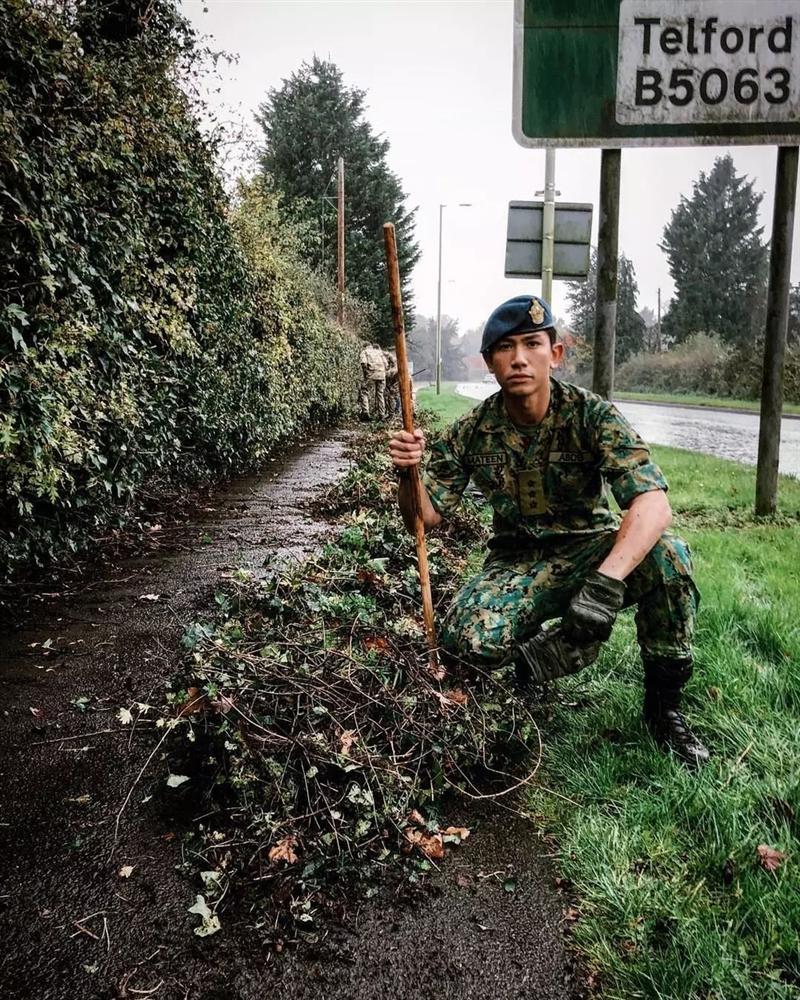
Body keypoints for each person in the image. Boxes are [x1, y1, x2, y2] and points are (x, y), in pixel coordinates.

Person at [388, 294, 709, 769]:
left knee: (670, 558)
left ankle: (663, 710)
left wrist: (605, 584)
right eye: (505, 348)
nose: (519, 358)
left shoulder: (591, 415)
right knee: (466, 640)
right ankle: (532, 661)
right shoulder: (472, 431)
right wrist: (407, 473)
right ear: (488, 363)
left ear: (555, 353)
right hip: (517, 561)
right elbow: (425, 518)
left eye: (532, 343)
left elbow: (652, 504)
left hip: (592, 552)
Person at [359, 343, 388, 420]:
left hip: (371, 374)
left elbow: (364, 363)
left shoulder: (364, 352)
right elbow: (386, 364)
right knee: (380, 394)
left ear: (365, 347)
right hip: (382, 375)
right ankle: (382, 415)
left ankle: (366, 412)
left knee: (364, 391)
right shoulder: (379, 352)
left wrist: (366, 373)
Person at [383, 349, 400, 417]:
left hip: (393, 378)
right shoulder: (391, 361)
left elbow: (393, 371)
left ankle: (394, 411)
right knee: (393, 395)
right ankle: (394, 410)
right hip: (391, 379)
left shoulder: (393, 364)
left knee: (393, 395)